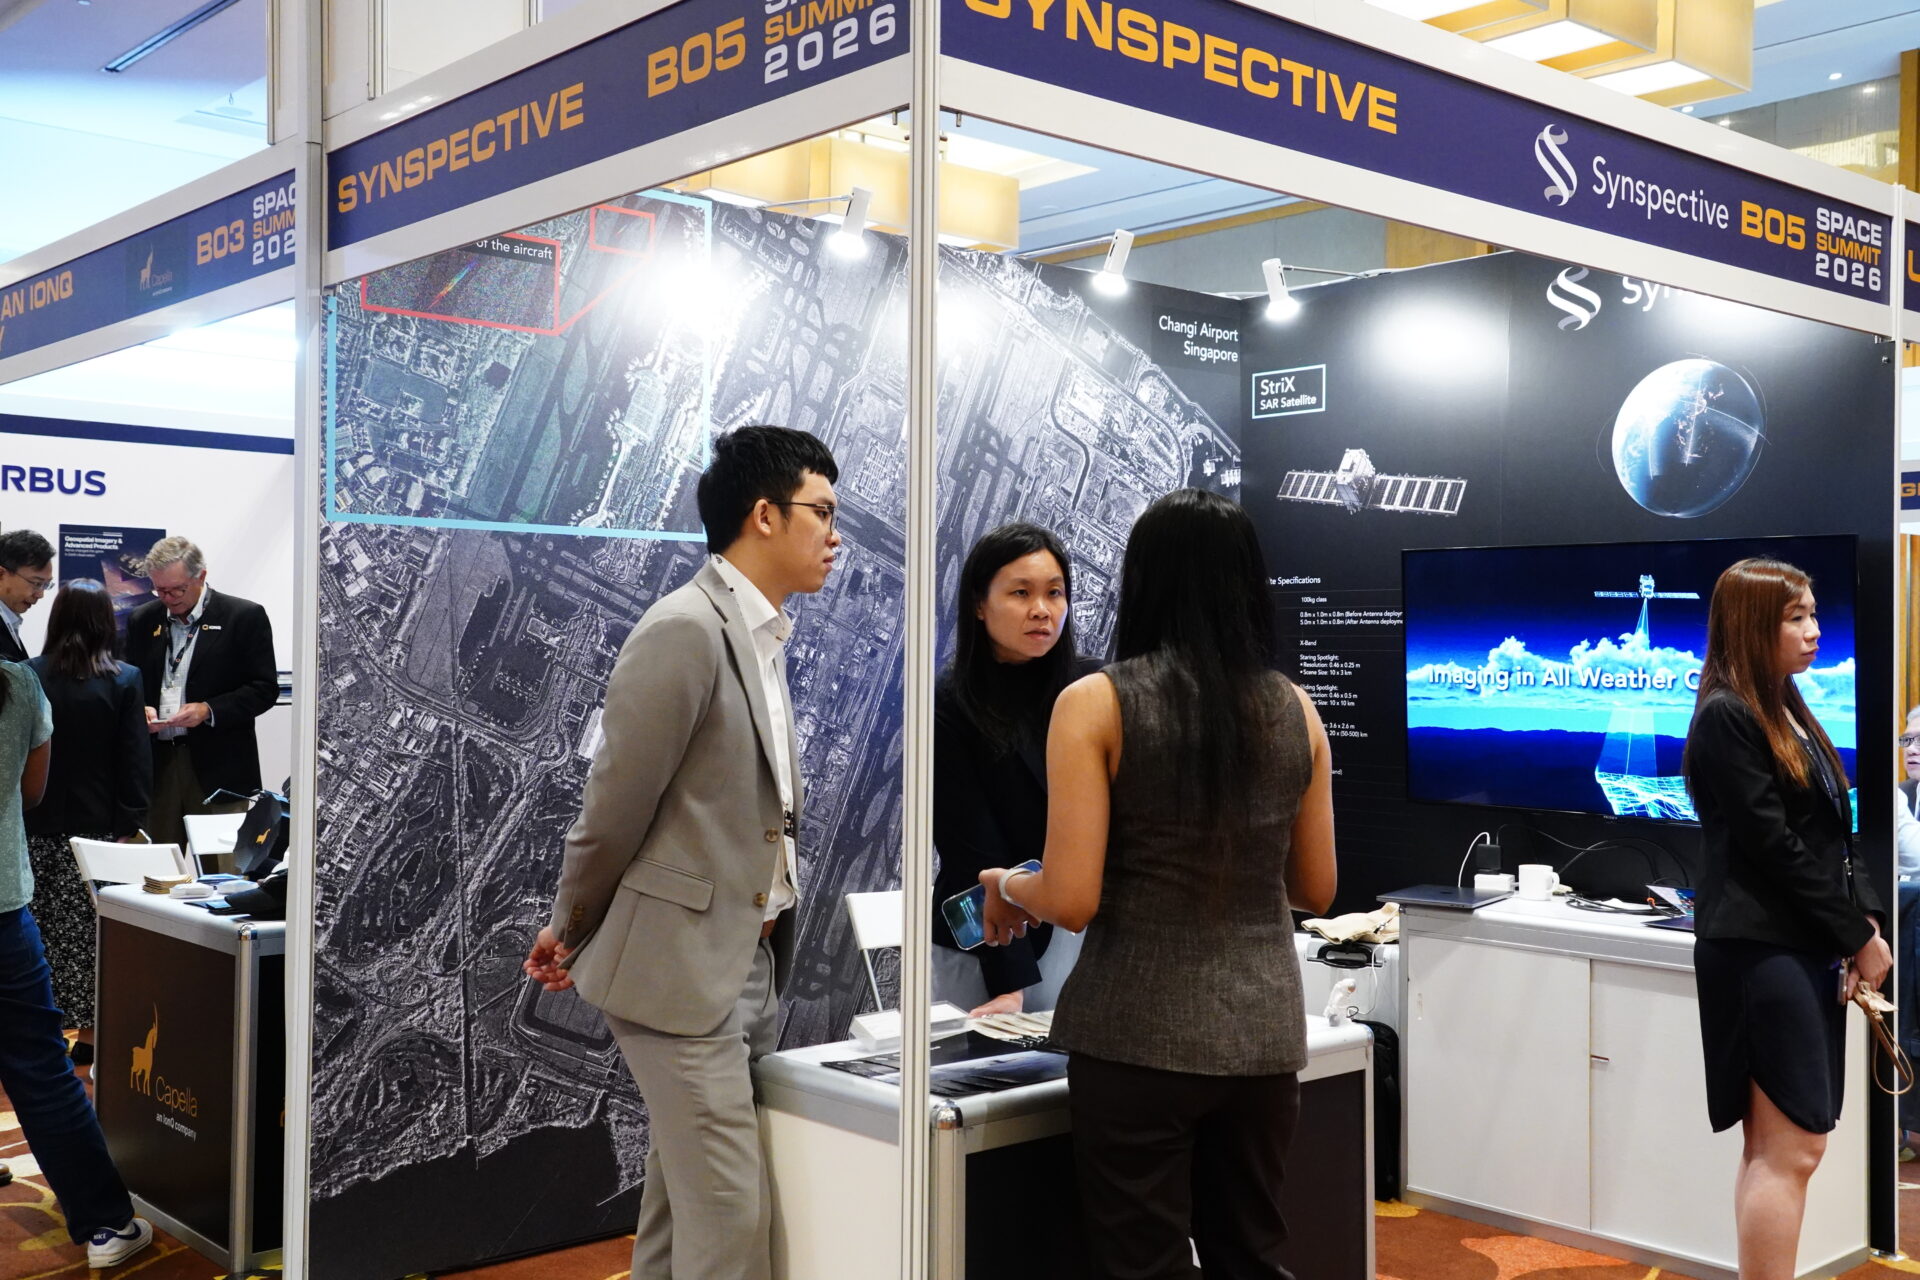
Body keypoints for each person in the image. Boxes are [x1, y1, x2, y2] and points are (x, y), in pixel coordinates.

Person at [978, 488, 1337, 1279]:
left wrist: (1008, 883)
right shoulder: (1296, 709)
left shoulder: (1096, 704)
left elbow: (1071, 898)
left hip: (1136, 1036)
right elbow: (1317, 888)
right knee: (1252, 1256)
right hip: (1263, 1035)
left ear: (1142, 580)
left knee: (1143, 1263)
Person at [525, 425, 841, 1280]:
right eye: (821, 512)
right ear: (764, 515)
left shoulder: (760, 637)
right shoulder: (685, 630)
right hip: (680, 973)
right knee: (731, 1219)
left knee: (683, 1197)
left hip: (744, 961)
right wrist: (570, 926)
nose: (835, 535)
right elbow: (613, 807)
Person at [1683, 557, 1890, 1280]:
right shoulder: (1728, 714)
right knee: (1789, 1150)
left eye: (1813, 614)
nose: (1814, 630)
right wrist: (1854, 934)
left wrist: (1861, 921)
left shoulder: (1785, 707)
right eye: (1795, 617)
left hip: (1795, 946)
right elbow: (1772, 846)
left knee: (1786, 1149)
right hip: (1757, 950)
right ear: (1751, 626)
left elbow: (1835, 833)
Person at [0, 653, 153, 1266]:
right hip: (1, 908)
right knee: (41, 1070)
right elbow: (31, 791)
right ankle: (106, 1226)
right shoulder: (17, 684)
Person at [931, 523, 1093, 1016]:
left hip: (1083, 932)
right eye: (1021, 593)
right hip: (989, 941)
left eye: (1054, 593)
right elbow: (970, 848)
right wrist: (1010, 984)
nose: (1042, 609)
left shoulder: (1094, 688)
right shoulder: (951, 702)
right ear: (979, 605)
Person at [26, 580, 152, 1076]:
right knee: (93, 937)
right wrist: (130, 822)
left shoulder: (29, 674)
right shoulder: (126, 679)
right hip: (99, 830)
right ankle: (91, 1038)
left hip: (36, 825)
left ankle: (40, 1034)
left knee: (38, 934)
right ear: (105, 621)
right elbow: (134, 759)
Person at [123, 538, 278, 848]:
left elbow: (264, 689)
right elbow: (131, 683)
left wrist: (209, 709)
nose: (168, 598)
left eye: (177, 590)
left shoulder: (242, 616)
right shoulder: (143, 620)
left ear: (201, 576)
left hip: (219, 766)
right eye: (160, 590)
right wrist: (140, 708)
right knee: (156, 865)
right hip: (158, 765)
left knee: (220, 865)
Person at [0, 530, 55, 663]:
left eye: (46, 585)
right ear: (1, 574)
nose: (40, 594)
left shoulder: (9, 620)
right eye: (36, 583)